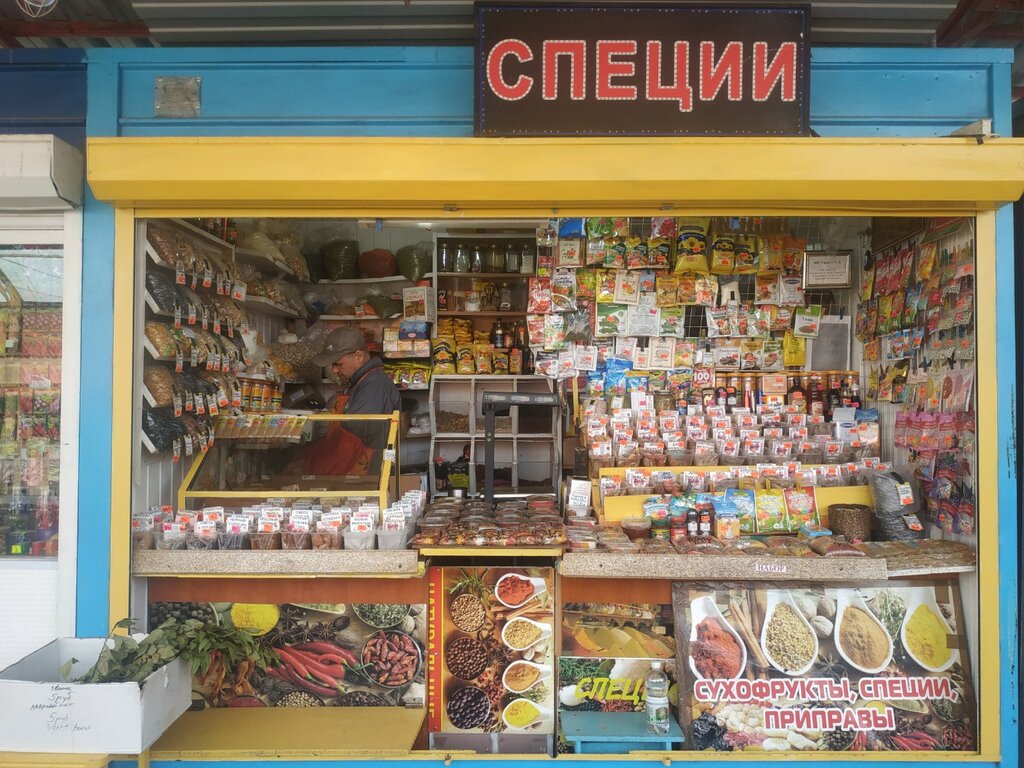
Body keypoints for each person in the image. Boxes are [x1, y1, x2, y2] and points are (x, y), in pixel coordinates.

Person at [302, 327, 401, 475]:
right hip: (351, 466)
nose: (334, 370)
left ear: (358, 356)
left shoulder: (374, 385)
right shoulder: (360, 382)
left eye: (338, 364)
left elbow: (357, 430)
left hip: (366, 471)